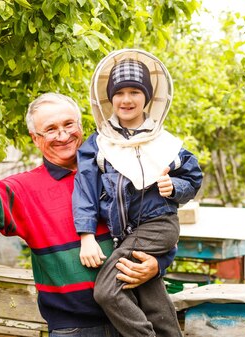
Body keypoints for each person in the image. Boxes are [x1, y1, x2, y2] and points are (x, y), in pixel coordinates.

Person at [0, 92, 176, 336]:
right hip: (76, 329)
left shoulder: (121, 170)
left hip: (137, 321)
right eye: (50, 129)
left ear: (81, 126)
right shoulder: (26, 189)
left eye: (69, 124)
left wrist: (158, 264)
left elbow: (156, 225)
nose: (63, 135)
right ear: (35, 139)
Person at [73, 49, 203, 337]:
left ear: (147, 97)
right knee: (147, 290)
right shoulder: (98, 144)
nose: (127, 99)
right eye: (119, 93)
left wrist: (175, 188)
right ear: (110, 98)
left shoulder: (165, 143)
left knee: (107, 290)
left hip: (159, 226)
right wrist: (86, 236)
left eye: (135, 91)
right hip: (127, 233)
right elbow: (84, 192)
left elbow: (193, 178)